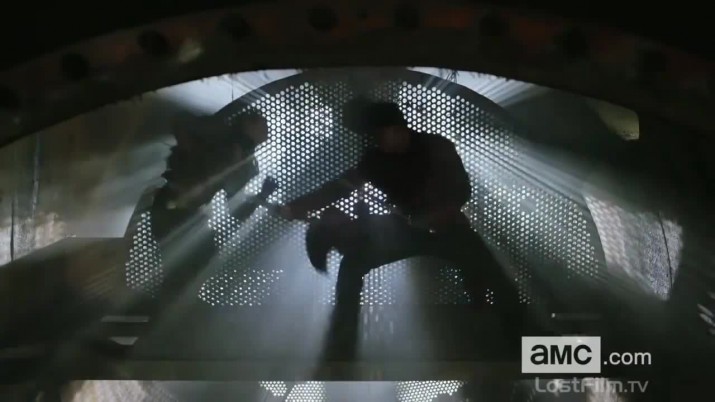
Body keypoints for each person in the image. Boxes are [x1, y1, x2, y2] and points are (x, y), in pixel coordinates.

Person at [279, 99, 524, 359]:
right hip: (404, 229)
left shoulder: (436, 147)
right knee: (352, 266)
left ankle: (521, 340)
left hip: (448, 227)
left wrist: (434, 214)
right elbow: (340, 186)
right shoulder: (375, 159)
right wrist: (294, 208)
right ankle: (341, 346)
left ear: (397, 129)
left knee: (494, 274)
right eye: (373, 137)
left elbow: (462, 190)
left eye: (379, 135)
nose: (376, 142)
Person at [144, 110, 271, 308]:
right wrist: (190, 151)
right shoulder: (223, 137)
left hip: (181, 210)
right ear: (249, 124)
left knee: (195, 260)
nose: (267, 132)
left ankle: (168, 308)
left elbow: (235, 203)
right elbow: (181, 123)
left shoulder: (244, 158)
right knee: (192, 261)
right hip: (173, 206)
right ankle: (165, 309)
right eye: (263, 125)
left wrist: (262, 195)